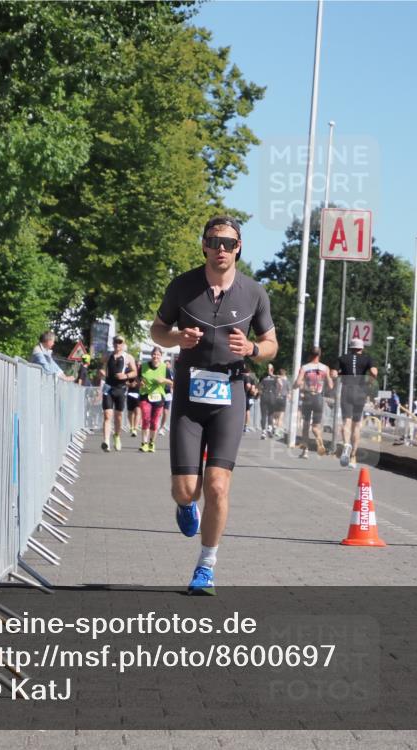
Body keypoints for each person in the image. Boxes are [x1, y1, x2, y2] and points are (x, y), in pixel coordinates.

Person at [150, 215, 277, 595]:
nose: (221, 248)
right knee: (186, 490)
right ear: (204, 245)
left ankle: (206, 566)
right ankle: (186, 504)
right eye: (214, 241)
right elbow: (157, 330)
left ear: (239, 247)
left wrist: (253, 349)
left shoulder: (254, 292)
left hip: (229, 397)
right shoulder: (183, 287)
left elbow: (271, 345)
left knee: (218, 486)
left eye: (229, 242)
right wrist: (176, 338)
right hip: (189, 399)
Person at [331, 336, 377, 469]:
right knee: (356, 425)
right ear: (362, 348)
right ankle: (353, 457)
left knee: (346, 422)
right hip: (360, 392)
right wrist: (369, 381)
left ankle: (346, 445)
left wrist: (338, 374)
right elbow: (374, 372)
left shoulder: (342, 358)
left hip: (346, 391)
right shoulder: (368, 359)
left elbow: (333, 374)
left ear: (350, 348)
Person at [293, 347, 333, 459]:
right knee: (316, 427)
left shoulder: (305, 368)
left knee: (305, 426)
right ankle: (320, 442)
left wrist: (295, 386)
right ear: (320, 355)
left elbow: (297, 382)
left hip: (308, 397)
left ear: (310, 355)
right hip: (319, 398)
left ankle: (305, 451)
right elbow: (330, 385)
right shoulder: (325, 368)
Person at [100, 336, 136, 452]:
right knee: (107, 415)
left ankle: (116, 436)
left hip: (120, 389)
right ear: (113, 343)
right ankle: (106, 441)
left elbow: (135, 372)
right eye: (116, 342)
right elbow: (101, 367)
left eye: (120, 342)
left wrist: (125, 376)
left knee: (118, 416)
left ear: (123, 344)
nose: (117, 344)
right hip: (108, 388)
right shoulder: (107, 355)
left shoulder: (128, 357)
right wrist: (101, 372)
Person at [138, 347, 173, 452]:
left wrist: (164, 380)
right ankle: (144, 443)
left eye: (158, 355)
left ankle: (152, 443)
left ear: (161, 356)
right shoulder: (143, 366)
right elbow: (138, 378)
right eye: (154, 354)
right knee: (145, 418)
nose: (155, 356)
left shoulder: (164, 368)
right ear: (151, 355)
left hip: (158, 397)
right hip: (145, 395)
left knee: (154, 421)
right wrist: (140, 382)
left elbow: (172, 382)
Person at [259, 363, 277, 438]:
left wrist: (260, 394)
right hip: (272, 396)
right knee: (271, 414)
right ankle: (269, 428)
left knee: (263, 414)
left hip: (264, 396)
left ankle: (263, 432)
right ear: (273, 369)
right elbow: (280, 383)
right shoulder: (275, 378)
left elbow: (259, 387)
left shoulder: (263, 377)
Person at [159, 357, 174, 437]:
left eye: (168, 364)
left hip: (167, 393)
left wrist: (171, 389)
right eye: (165, 364)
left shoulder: (171, 373)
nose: (166, 365)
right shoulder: (160, 371)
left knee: (165, 412)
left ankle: (161, 427)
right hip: (159, 393)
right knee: (159, 411)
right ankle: (156, 425)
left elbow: (173, 383)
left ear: (170, 365)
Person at [125, 363, 141, 437]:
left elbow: (145, 382)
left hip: (139, 394)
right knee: (130, 412)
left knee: (138, 411)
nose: (138, 366)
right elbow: (125, 382)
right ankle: (131, 426)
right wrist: (130, 385)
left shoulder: (141, 372)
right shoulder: (129, 372)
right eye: (136, 365)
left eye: (139, 365)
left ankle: (135, 428)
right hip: (131, 394)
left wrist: (142, 384)